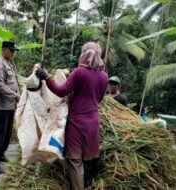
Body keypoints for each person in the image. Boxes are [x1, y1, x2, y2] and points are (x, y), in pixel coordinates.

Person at [36, 42, 108, 189]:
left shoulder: (78, 72)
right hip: (93, 122)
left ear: (83, 54)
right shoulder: (104, 76)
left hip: (77, 123)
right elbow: (98, 99)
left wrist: (46, 77)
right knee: (88, 158)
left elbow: (61, 91)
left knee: (75, 161)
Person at [0, 41, 20, 174]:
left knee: (6, 134)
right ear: (4, 49)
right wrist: (15, 96)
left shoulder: (8, 63)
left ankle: (0, 154)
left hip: (8, 106)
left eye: (14, 51)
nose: (13, 53)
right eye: (11, 50)